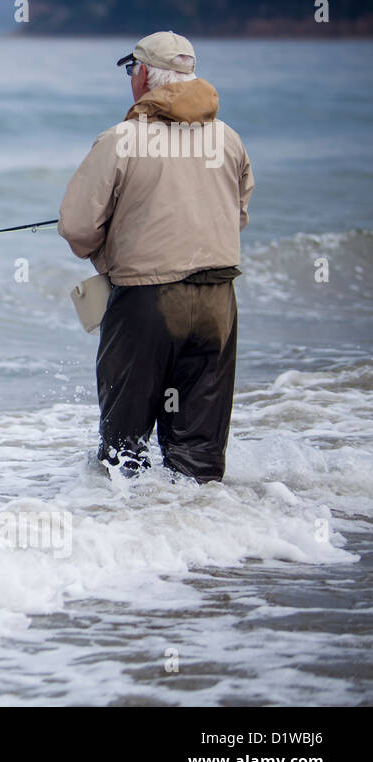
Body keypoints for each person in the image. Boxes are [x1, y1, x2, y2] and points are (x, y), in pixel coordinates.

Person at [58, 31, 254, 482]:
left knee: (123, 454)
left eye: (132, 69)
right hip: (218, 305)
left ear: (143, 75)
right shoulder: (228, 139)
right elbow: (237, 214)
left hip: (147, 304)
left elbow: (76, 226)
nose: (131, 78)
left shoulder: (121, 140)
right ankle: (205, 541)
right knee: (199, 457)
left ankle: (130, 541)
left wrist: (106, 255)